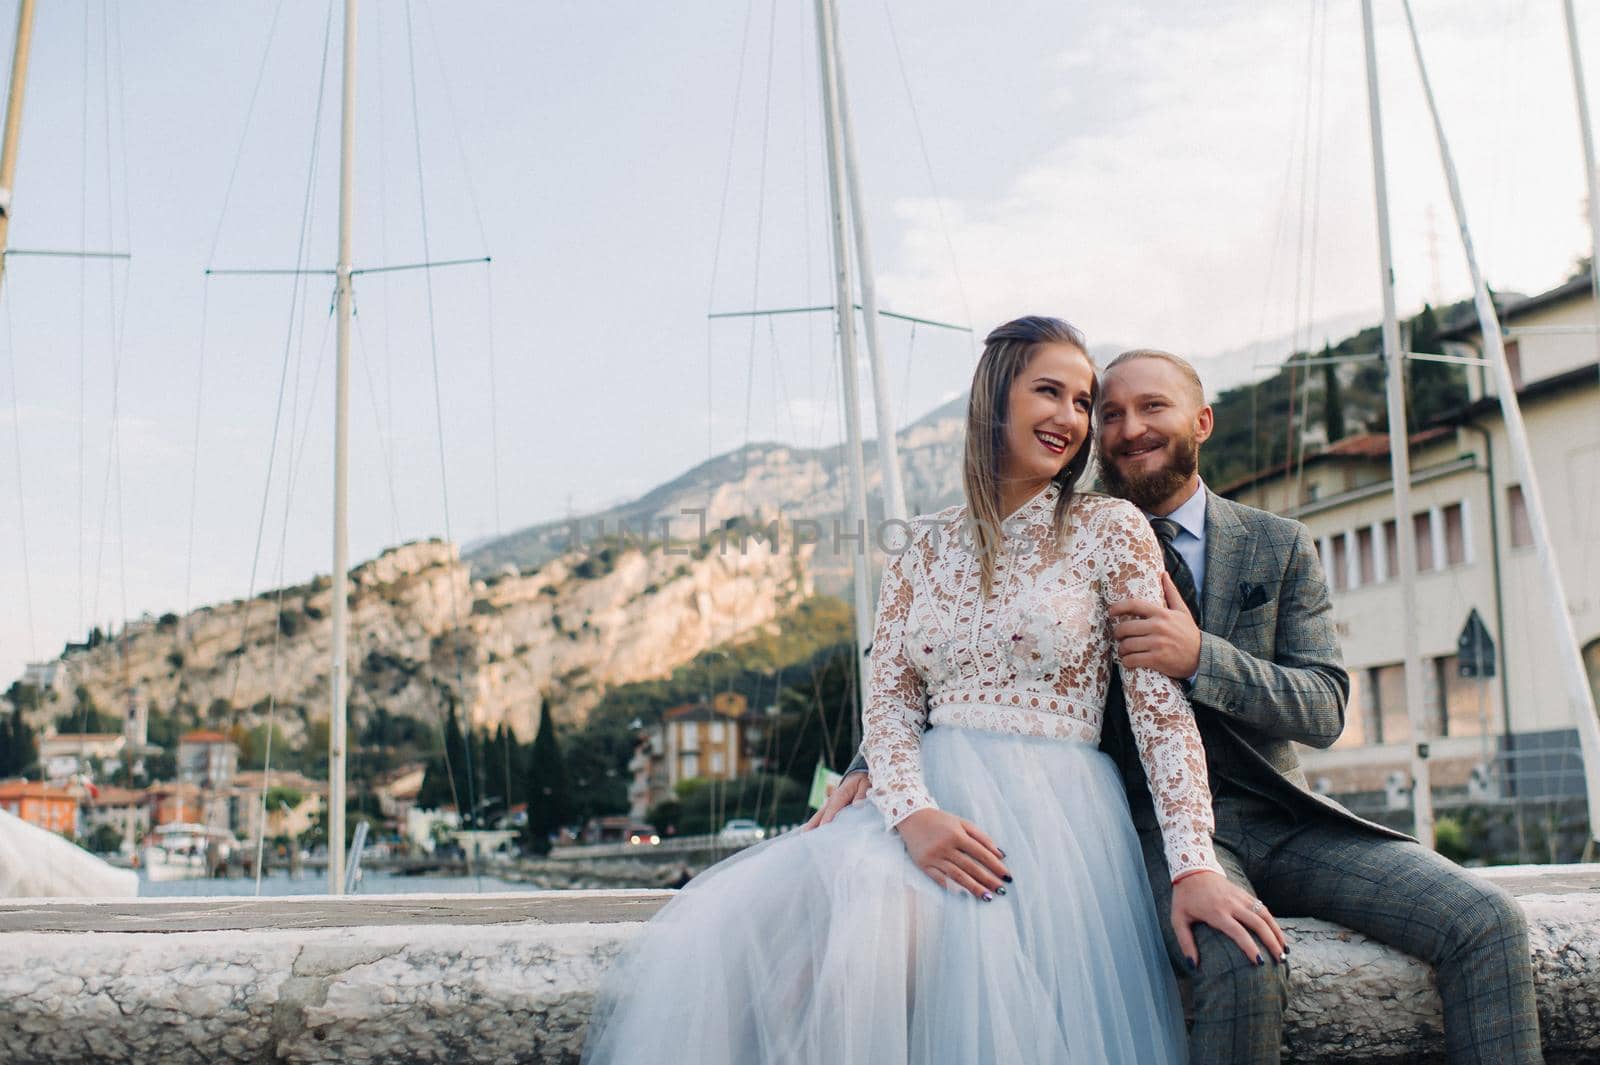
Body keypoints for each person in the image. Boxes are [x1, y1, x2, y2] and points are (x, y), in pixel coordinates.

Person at [581, 318, 1281, 1064]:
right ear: (994, 400)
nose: (1071, 418)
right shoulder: (921, 544)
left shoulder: (1109, 529)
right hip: (923, 802)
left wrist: (1194, 863)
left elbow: (1159, 715)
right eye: (1050, 392)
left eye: (1083, 401)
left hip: (1058, 819)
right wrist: (911, 813)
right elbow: (888, 703)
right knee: (818, 959)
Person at [815, 348, 1543, 1064]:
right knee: (1240, 961)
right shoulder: (1076, 535)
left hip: (1283, 818)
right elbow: (969, 655)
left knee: (1485, 920)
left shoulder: (1276, 545)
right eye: (1110, 413)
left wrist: (1202, 657)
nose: (1128, 427)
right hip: (1146, 829)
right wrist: (873, 765)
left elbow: (1324, 706)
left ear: (1202, 419)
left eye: (1152, 407)